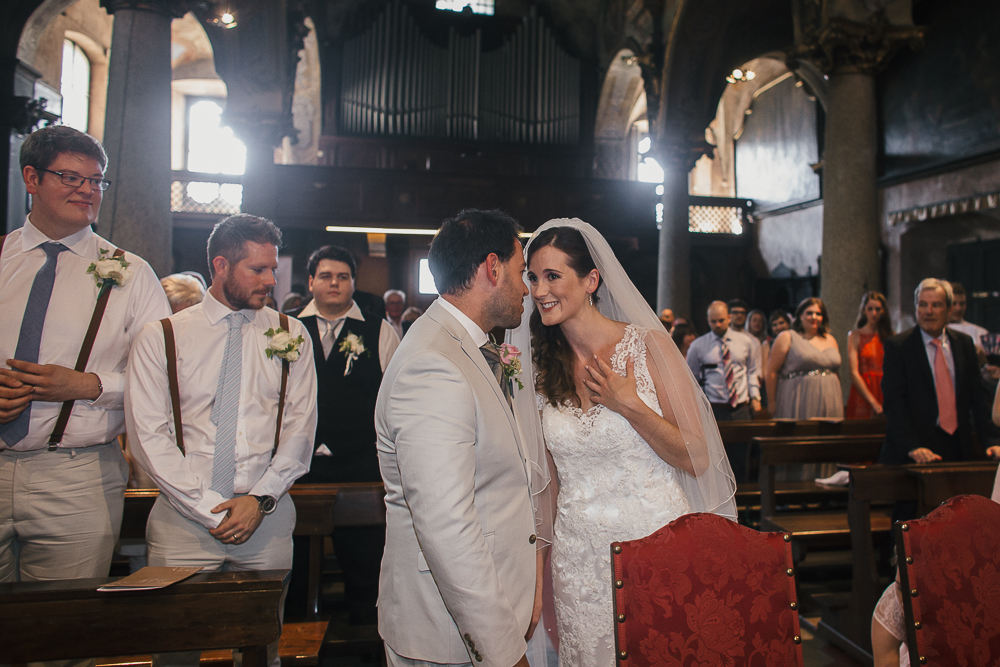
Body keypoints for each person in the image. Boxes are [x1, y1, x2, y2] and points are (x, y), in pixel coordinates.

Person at [513, 219, 736, 667]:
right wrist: (538, 574)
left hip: (654, 542)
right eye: (532, 277)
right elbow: (549, 485)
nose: (539, 291)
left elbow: (696, 457)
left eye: (553, 276)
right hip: (578, 559)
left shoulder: (647, 346)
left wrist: (631, 406)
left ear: (591, 280)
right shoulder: (539, 368)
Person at [126, 214, 318, 667]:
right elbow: (149, 437)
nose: (271, 279)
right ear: (220, 265)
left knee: (260, 649)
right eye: (258, 269)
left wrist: (260, 499)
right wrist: (206, 506)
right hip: (182, 517)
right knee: (175, 649)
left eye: (273, 268)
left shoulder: (292, 335)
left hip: (265, 517)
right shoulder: (164, 336)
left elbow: (300, 429)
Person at [0, 126, 170, 589]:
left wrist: (89, 386)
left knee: (62, 637)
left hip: (76, 474)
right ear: (31, 178)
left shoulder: (132, 274)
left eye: (95, 181)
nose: (86, 191)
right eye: (70, 178)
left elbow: (165, 382)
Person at [376, 210, 542, 667]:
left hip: (485, 613)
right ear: (492, 268)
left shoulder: (468, 346)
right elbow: (446, 525)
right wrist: (502, 651)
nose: (527, 288)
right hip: (450, 637)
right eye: (520, 270)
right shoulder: (433, 365)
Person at [291, 245, 399, 624]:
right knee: (296, 573)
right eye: (325, 276)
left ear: (353, 282)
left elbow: (394, 399)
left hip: (359, 467)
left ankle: (369, 646)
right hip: (297, 468)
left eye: (342, 277)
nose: (334, 283)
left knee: (365, 570)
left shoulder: (379, 330)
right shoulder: (286, 328)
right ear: (310, 282)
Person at [879, 278, 1000, 466]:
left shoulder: (964, 344)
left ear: (949, 310)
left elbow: (978, 396)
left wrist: (992, 442)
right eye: (923, 305)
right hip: (913, 451)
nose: (928, 312)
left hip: (957, 445)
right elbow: (894, 402)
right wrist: (913, 447)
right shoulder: (899, 347)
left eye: (936, 305)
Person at [766, 297, 844, 420]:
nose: (814, 317)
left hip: (830, 396)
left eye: (818, 314)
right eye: (809, 313)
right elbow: (771, 371)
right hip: (799, 396)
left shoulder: (830, 340)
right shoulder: (787, 337)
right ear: (800, 316)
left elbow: (835, 372)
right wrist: (771, 402)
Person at [686, 301, 762, 421]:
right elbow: (691, 378)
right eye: (713, 321)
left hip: (741, 406)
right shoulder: (698, 346)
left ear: (729, 318)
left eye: (721, 320)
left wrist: (755, 396)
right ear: (708, 320)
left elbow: (751, 371)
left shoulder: (745, 341)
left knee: (743, 439)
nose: (718, 325)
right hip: (714, 407)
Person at [846, 291, 893, 419]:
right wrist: (873, 402)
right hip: (864, 390)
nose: (874, 313)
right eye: (870, 309)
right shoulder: (855, 336)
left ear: (883, 311)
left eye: (878, 309)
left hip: (886, 388)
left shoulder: (890, 336)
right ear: (863, 310)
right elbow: (854, 373)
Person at [948, 282, 988, 354]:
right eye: (954, 304)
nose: (958, 308)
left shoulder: (981, 333)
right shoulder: (936, 332)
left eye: (962, 304)